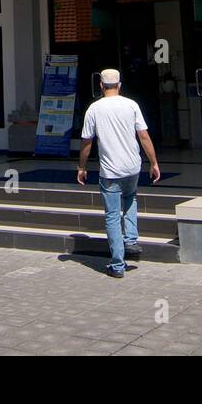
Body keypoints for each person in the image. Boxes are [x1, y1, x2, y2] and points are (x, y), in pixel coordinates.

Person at [77, 68, 160, 278]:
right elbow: (144, 136)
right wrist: (154, 163)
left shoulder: (94, 109)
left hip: (110, 171)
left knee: (112, 216)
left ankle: (117, 265)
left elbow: (87, 142)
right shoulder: (131, 105)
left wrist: (81, 167)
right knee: (130, 198)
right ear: (120, 85)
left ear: (100, 86)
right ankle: (131, 239)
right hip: (133, 167)